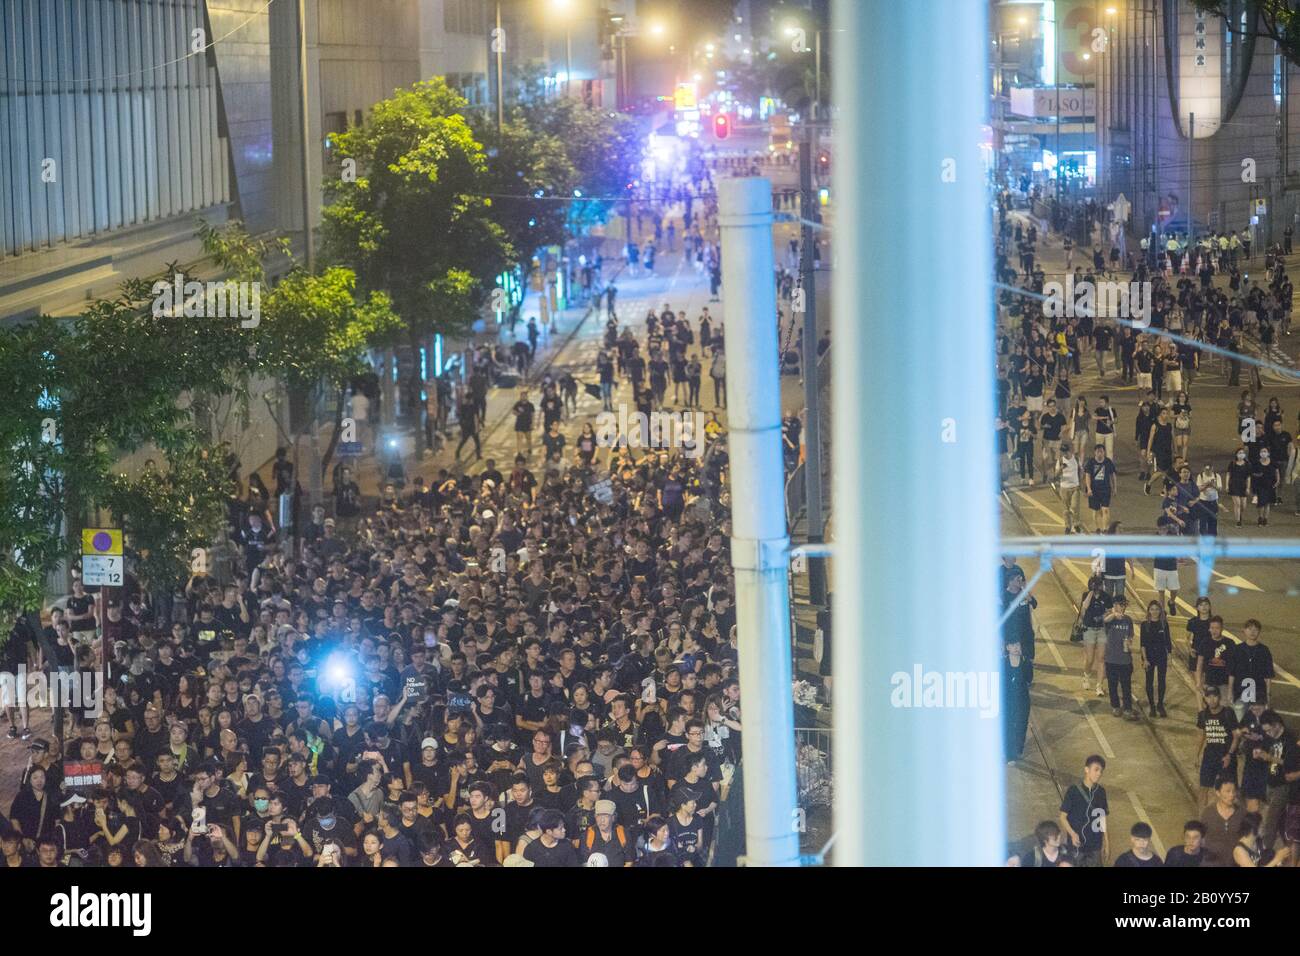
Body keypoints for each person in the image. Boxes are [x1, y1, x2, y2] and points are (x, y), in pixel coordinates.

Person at [1059, 755, 1109, 866]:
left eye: (1101, 771)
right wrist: (1072, 834)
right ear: (1086, 769)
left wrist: (1106, 842)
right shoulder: (1073, 791)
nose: (1099, 773)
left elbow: (1102, 818)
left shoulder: (1101, 792)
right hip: (1077, 845)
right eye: (1096, 769)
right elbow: (1062, 817)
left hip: (1095, 845)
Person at [1195, 687, 1241, 807]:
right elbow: (1202, 735)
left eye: (1215, 696)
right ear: (1205, 698)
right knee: (1203, 788)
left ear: (1219, 697)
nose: (1212, 699)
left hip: (1225, 757)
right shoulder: (1203, 715)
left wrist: (1230, 755)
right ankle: (1202, 820)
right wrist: (1197, 755)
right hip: (1210, 755)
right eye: (1209, 696)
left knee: (1228, 789)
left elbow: (1236, 735)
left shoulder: (1227, 713)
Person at [1102, 597, 1139, 721]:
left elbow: (1130, 636)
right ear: (1114, 605)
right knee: (1112, 685)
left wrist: (1129, 642)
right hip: (1111, 658)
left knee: (1126, 686)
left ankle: (1128, 708)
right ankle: (1116, 706)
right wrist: (1114, 614)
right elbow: (1104, 620)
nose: (1122, 607)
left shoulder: (1128, 620)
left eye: (1124, 605)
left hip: (1125, 659)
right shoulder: (1109, 618)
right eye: (1119, 605)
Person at [1138, 600, 1172, 718]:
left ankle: (1160, 704)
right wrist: (1145, 659)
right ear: (1148, 611)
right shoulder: (1144, 625)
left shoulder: (1164, 624)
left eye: (1157, 609)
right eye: (1152, 609)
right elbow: (1142, 644)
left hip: (1161, 656)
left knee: (1161, 681)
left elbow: (1168, 641)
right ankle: (1152, 706)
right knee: (1149, 681)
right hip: (1149, 657)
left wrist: (1169, 657)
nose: (1154, 612)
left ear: (1160, 611)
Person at [1083, 444, 1117, 533]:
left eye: (1101, 451)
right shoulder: (1091, 462)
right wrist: (1089, 488)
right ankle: (1098, 528)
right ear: (1095, 452)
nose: (1099, 453)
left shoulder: (1108, 462)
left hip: (1105, 489)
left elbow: (1112, 475)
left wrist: (1114, 487)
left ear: (1104, 452)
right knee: (1096, 511)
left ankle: (1105, 529)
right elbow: (1087, 476)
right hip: (1094, 490)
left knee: (1105, 509)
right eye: (1098, 451)